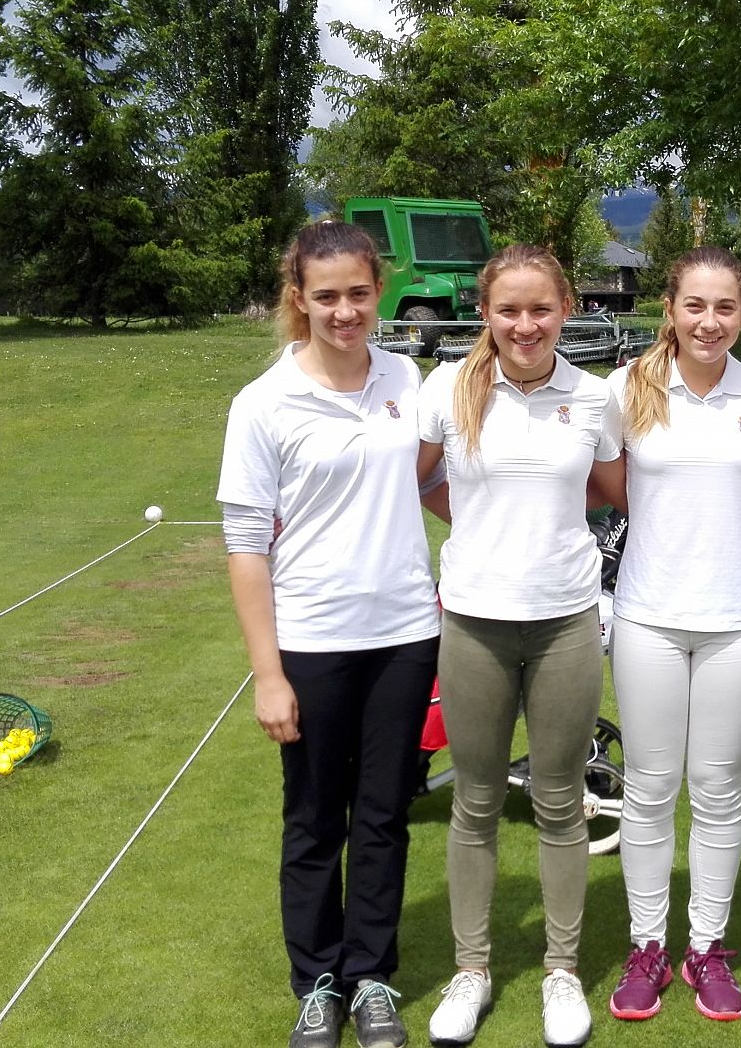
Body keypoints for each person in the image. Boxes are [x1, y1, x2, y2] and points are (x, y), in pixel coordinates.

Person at [217, 221, 442, 1048]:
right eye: (326, 296)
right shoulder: (263, 403)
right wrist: (266, 672)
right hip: (310, 639)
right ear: (298, 299)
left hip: (406, 634)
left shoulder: (406, 375)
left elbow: (432, 484)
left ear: (376, 289)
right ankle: (317, 980)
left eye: (357, 293)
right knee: (315, 816)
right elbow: (246, 544)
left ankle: (372, 975)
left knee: (383, 813)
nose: (344, 311)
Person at [415, 244, 625, 1048]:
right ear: (486, 312)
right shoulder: (450, 387)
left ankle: (562, 971)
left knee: (559, 799)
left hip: (567, 619)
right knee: (473, 802)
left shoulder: (595, 395)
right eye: (509, 310)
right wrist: (475, 530)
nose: (525, 324)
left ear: (565, 309)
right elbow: (418, 477)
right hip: (472, 618)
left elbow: (616, 491)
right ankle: (472, 971)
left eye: (541, 309)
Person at [601, 247, 741, 1023]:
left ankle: (705, 946)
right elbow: (611, 483)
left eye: (725, 308)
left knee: (717, 787)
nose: (709, 322)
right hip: (646, 616)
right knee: (649, 788)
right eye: (694, 306)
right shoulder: (627, 386)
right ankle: (647, 946)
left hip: (739, 623)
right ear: (670, 309)